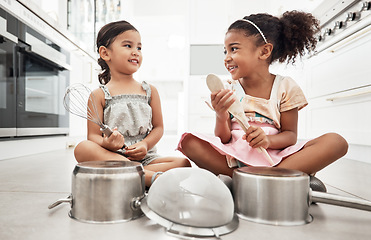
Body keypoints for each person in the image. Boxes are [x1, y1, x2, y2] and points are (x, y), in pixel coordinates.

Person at [177, 11, 348, 188]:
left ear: (264, 51)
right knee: (189, 141)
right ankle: (280, 180)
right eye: (225, 51)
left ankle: (251, 181)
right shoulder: (228, 88)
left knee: (336, 142)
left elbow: (290, 135)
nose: (226, 58)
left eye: (233, 49)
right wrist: (221, 115)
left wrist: (268, 141)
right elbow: (224, 138)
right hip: (235, 157)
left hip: (275, 155)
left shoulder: (286, 87)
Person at [74, 20, 190, 187]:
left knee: (183, 163)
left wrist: (145, 144)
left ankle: (132, 174)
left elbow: (158, 128)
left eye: (139, 48)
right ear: (105, 53)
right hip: (113, 157)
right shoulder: (98, 95)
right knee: (82, 148)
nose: (136, 52)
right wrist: (106, 144)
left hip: (146, 159)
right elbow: (92, 137)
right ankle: (149, 177)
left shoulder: (150, 90)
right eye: (128, 46)